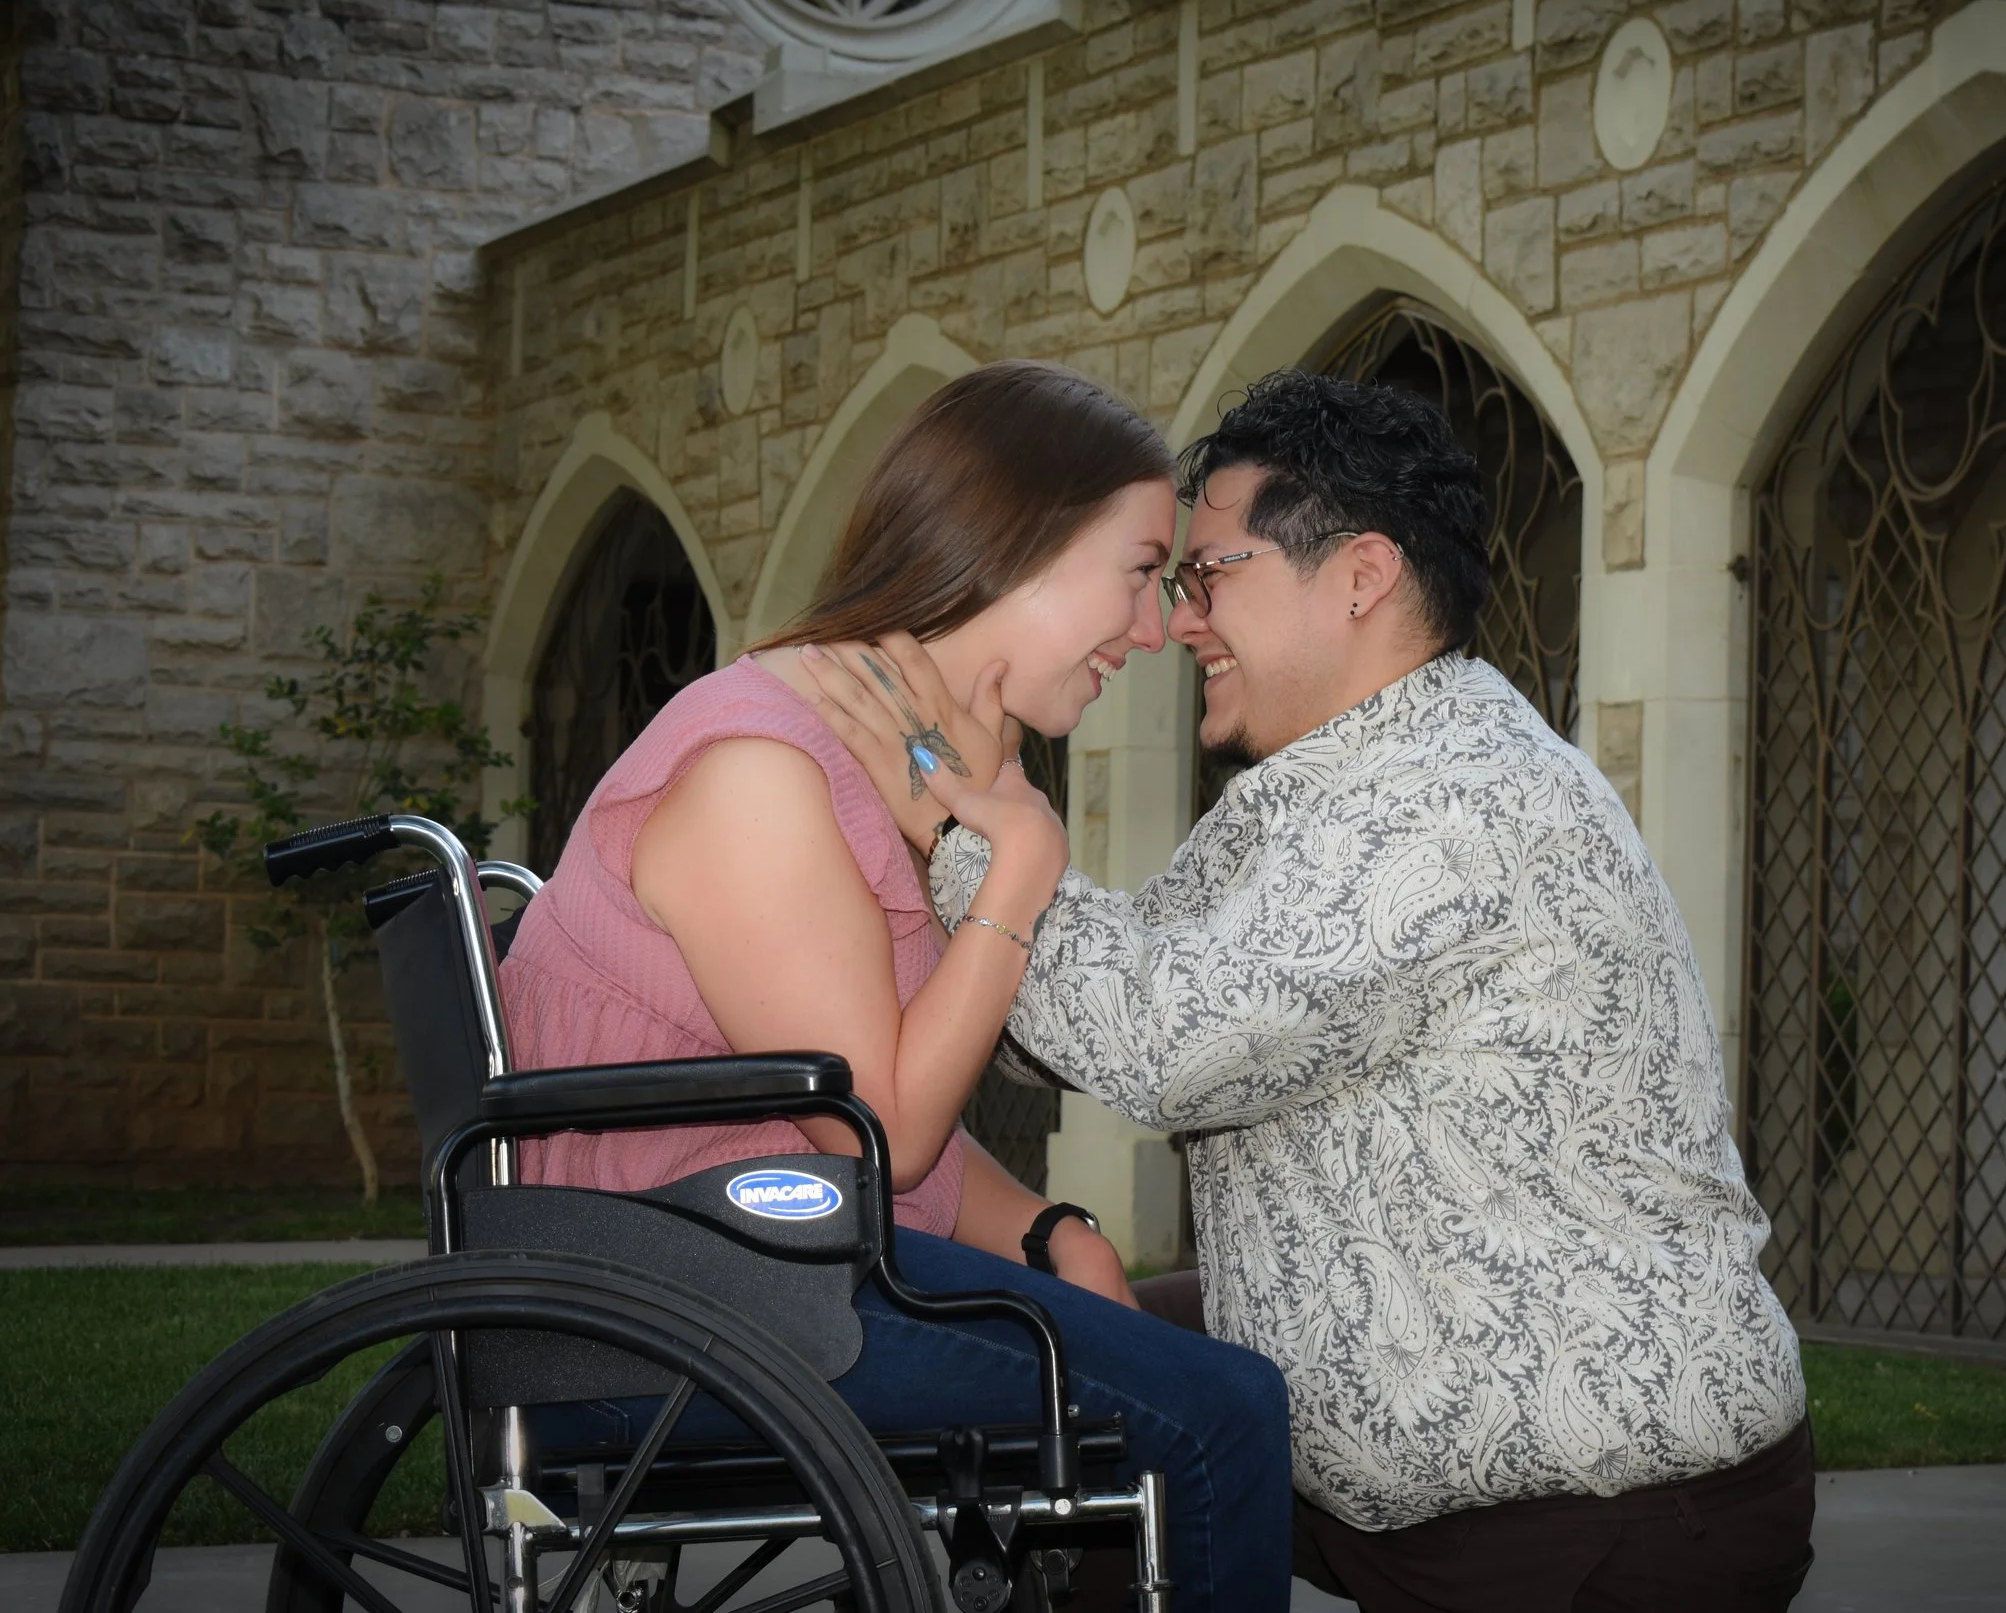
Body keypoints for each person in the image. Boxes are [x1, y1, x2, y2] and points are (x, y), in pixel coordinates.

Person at [802, 369, 1815, 1613]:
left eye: (1207, 575)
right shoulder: (1316, 790)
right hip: (1402, 1440)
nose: (1175, 623)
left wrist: (960, 828)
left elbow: (1157, 1038)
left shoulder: (1452, 805)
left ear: (1360, 576)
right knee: (1065, 1364)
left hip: (1588, 1516)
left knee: (1089, 1379)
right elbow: (1086, 1007)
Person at [500, 360, 1292, 1613]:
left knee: (1174, 1359)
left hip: (763, 1269)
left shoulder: (866, 757)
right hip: (671, 1312)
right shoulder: (759, 768)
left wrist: (1046, 1227)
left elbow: (854, 1114)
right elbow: (878, 1126)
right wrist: (1021, 869)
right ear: (1014, 546)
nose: (1152, 632)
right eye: (1140, 571)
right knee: (1220, 1411)